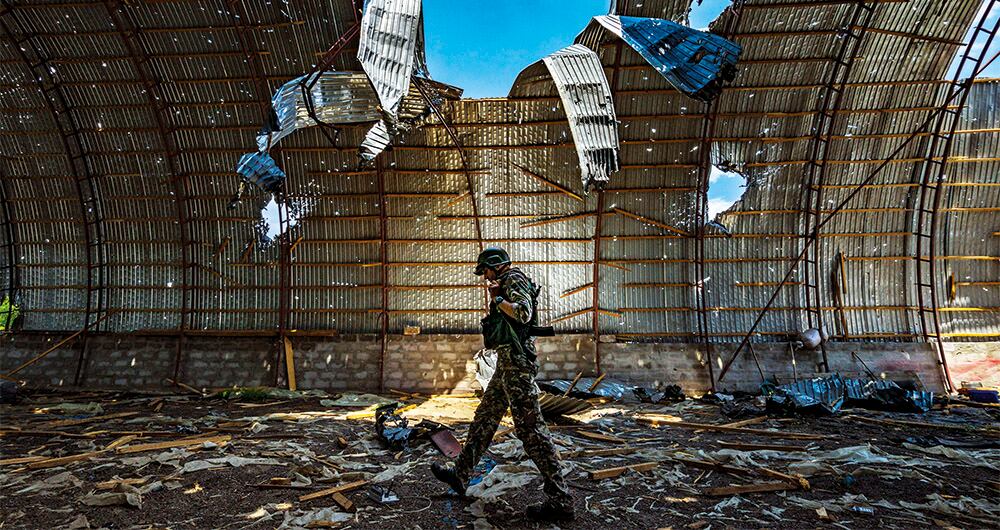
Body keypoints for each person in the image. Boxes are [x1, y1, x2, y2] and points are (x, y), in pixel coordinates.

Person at [430, 247, 574, 522]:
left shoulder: (513, 279)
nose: (485, 276)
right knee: (485, 418)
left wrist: (498, 299)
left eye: (486, 270)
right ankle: (460, 474)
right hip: (507, 364)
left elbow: (523, 314)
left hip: (517, 366)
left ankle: (561, 500)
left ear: (496, 265)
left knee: (532, 431)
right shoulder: (506, 281)